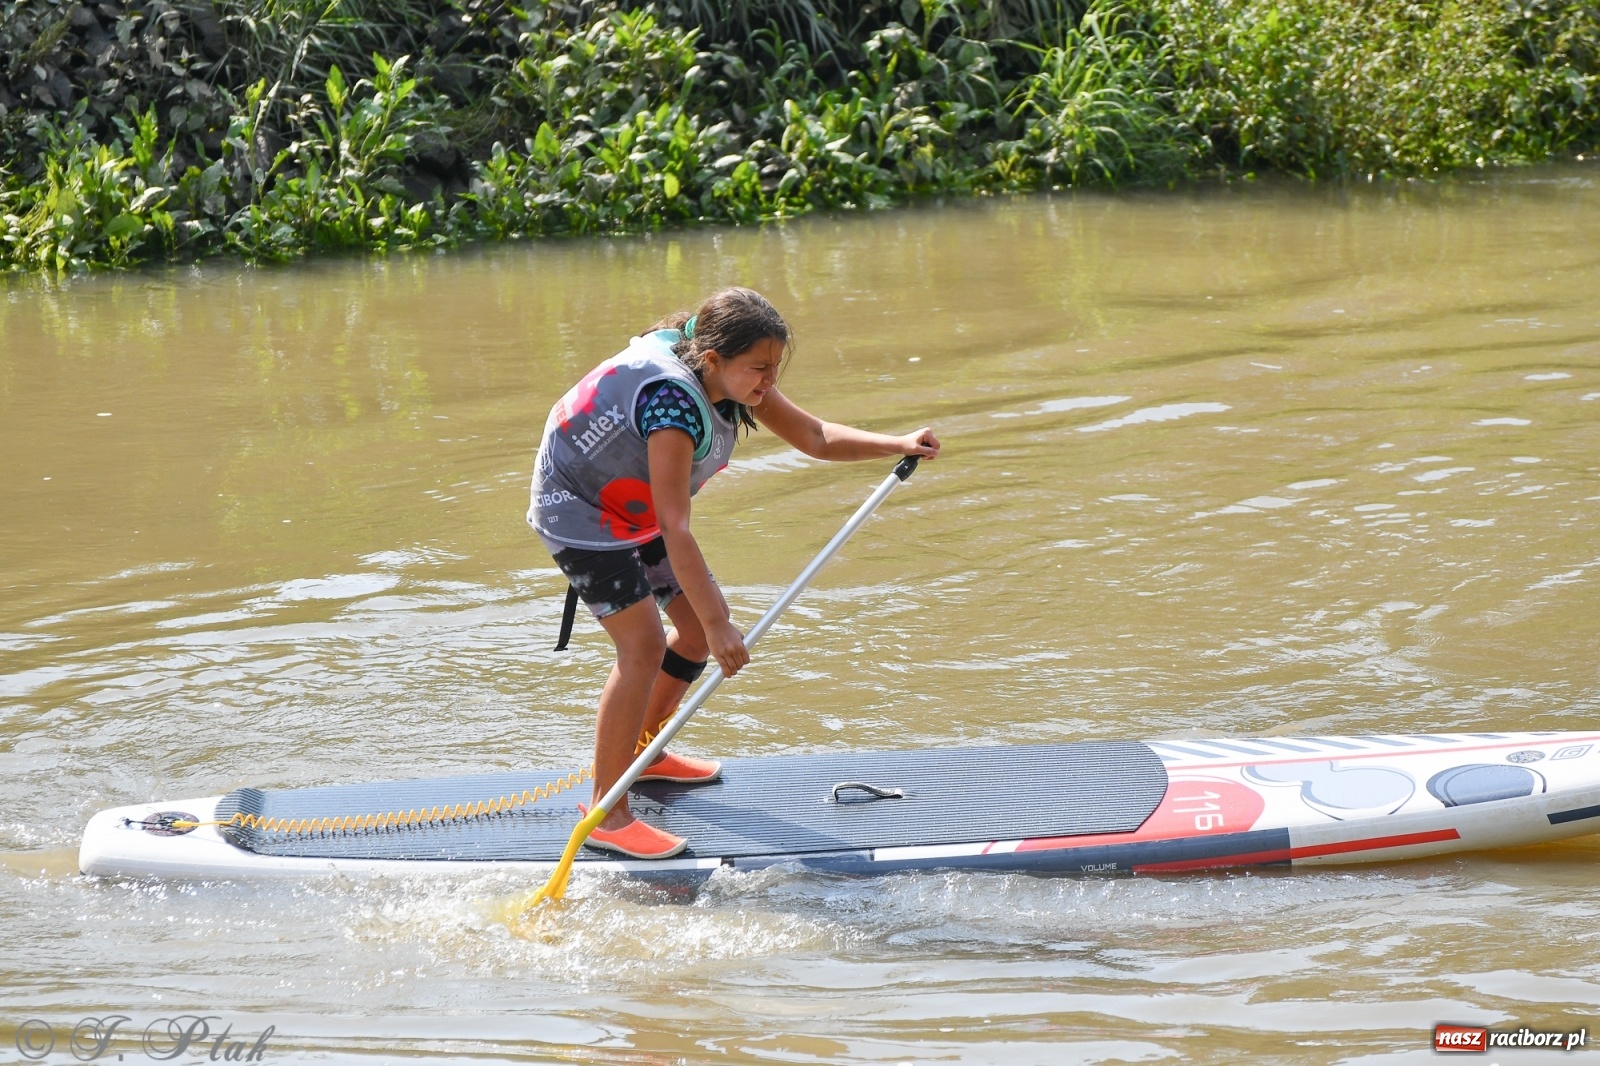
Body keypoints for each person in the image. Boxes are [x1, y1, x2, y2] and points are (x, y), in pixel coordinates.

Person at [527, 287, 940, 859]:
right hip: (580, 514)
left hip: (636, 508)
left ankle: (644, 752)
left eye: (775, 367)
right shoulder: (672, 405)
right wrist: (721, 623)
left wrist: (897, 443)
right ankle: (607, 812)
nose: (769, 381)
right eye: (760, 368)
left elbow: (815, 437)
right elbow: (676, 527)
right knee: (644, 647)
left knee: (693, 633)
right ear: (714, 358)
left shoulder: (733, 378)